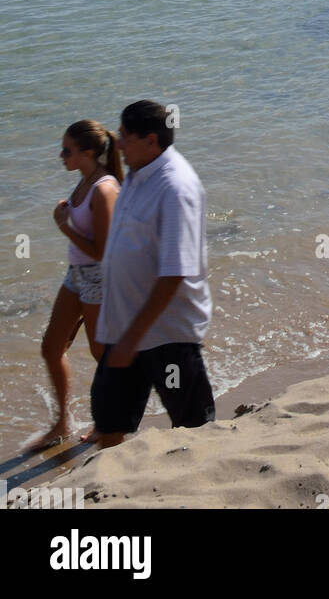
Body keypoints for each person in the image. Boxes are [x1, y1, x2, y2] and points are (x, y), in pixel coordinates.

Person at [91, 100, 214, 447]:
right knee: (109, 417)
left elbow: (175, 273)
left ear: (151, 141)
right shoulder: (137, 174)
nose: (118, 144)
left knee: (194, 428)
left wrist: (132, 338)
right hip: (126, 330)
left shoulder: (176, 189)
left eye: (125, 137)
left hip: (166, 337)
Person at [32, 121, 122, 450]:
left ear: (87, 152)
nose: (60, 155)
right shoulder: (85, 181)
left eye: (67, 150)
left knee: (103, 355)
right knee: (51, 348)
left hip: (100, 278)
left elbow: (103, 250)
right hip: (76, 274)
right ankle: (60, 424)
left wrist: (64, 226)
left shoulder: (104, 188)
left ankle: (110, 425)